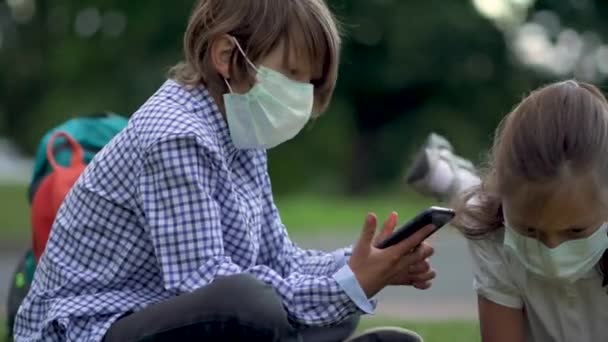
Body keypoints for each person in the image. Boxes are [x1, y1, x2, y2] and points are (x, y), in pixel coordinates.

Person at [14, 1, 437, 341]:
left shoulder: (241, 124)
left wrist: (363, 265)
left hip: (163, 313)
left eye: (309, 82)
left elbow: (279, 258)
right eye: (291, 73)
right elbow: (203, 283)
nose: (300, 94)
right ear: (227, 56)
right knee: (250, 307)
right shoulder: (176, 135)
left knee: (330, 308)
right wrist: (348, 286)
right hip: (90, 326)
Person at [406, 80, 608, 341]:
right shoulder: (494, 231)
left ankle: (448, 176)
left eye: (576, 231)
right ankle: (453, 178)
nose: (551, 250)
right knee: (477, 209)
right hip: (493, 207)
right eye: (531, 232)